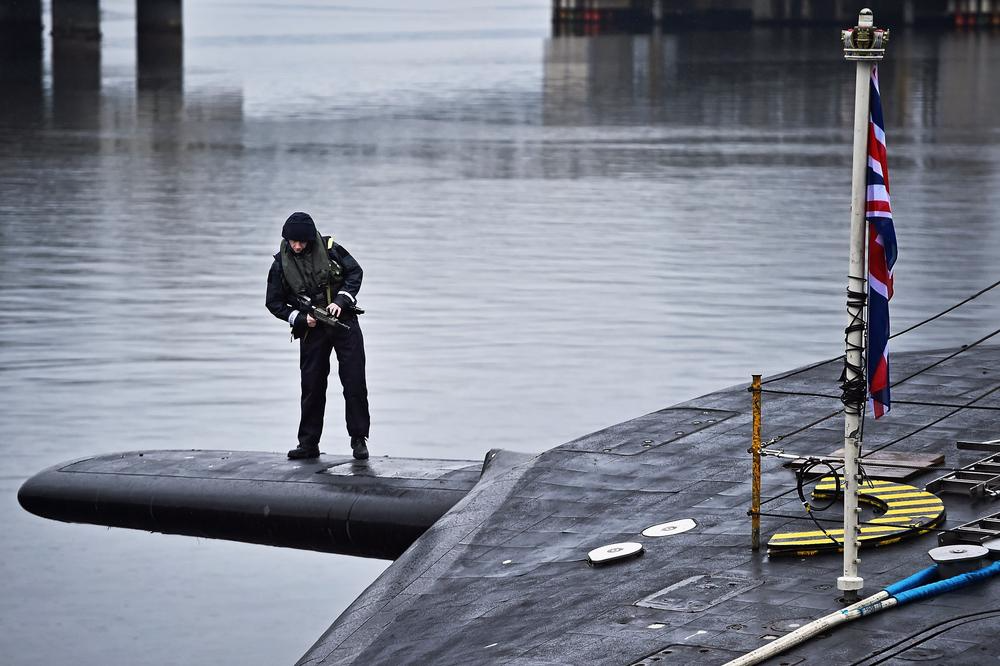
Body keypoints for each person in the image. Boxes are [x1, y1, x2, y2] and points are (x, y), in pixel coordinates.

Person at [265, 212, 370, 460]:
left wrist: (342, 301)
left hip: (344, 322)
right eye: (293, 242)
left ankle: (358, 440)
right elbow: (274, 303)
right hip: (312, 329)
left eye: (302, 241)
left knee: (354, 382)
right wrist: (302, 319)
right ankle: (308, 444)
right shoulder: (280, 264)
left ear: (311, 239)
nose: (298, 246)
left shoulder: (332, 249)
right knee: (312, 386)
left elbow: (356, 273)